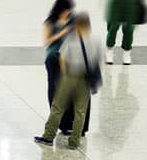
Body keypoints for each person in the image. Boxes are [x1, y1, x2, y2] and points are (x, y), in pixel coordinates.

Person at [34, 12, 104, 149]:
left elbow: (63, 59)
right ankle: (74, 141)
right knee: (80, 111)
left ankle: (48, 136)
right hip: (85, 78)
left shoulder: (71, 39)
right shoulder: (95, 40)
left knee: (58, 107)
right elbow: (97, 60)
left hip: (70, 76)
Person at [42, 0, 84, 134]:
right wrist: (62, 33)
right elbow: (47, 41)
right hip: (53, 58)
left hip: (68, 59)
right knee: (54, 89)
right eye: (65, 10)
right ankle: (56, 121)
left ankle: (67, 123)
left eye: (69, 10)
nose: (67, 13)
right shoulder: (50, 22)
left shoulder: (73, 21)